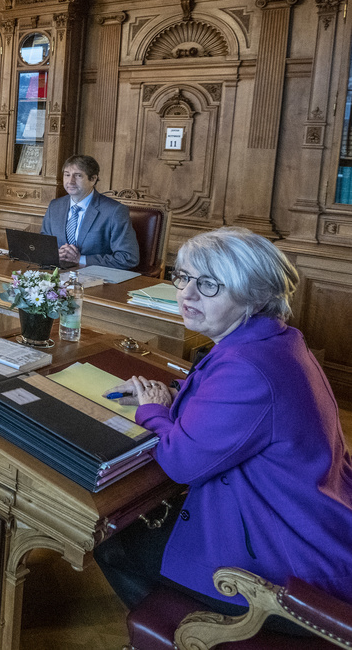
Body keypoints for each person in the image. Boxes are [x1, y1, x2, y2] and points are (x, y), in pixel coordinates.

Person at [95, 227, 352, 617]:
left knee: (109, 540)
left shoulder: (250, 367)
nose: (187, 294)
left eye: (210, 285)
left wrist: (153, 412)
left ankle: (185, 632)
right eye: (183, 278)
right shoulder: (273, 339)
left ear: (255, 294)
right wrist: (169, 393)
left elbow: (180, 462)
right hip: (310, 518)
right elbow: (229, 397)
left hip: (283, 561)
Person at [40, 154, 138, 269]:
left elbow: (128, 257)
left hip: (95, 278)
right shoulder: (55, 206)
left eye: (78, 176)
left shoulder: (114, 211)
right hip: (56, 275)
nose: (70, 181)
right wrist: (55, 253)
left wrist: (81, 259)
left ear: (93, 179)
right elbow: (43, 245)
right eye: (67, 175)